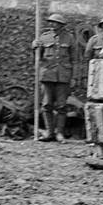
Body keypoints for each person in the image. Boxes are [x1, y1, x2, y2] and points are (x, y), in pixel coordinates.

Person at [32, 13, 76, 142]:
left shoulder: (69, 38)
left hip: (63, 76)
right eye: (50, 22)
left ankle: (59, 133)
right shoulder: (43, 38)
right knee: (46, 104)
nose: (52, 25)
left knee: (62, 106)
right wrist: (34, 47)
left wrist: (73, 77)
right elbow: (37, 58)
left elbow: (75, 59)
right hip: (47, 75)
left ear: (61, 25)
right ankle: (49, 132)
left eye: (55, 23)